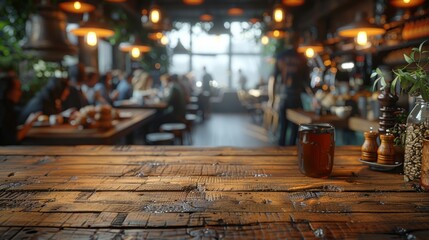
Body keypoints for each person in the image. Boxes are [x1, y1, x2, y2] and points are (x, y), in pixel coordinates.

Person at [275, 34, 311, 146]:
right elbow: (307, 80)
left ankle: (280, 151)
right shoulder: (302, 58)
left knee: (283, 127)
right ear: (298, 42)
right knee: (295, 127)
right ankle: (291, 150)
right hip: (296, 97)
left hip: (283, 96)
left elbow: (275, 77)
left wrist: (273, 98)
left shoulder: (280, 56)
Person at [0, 73, 41, 145]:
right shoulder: (3, 110)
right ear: (7, 90)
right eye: (18, 89)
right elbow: (12, 139)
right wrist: (30, 122)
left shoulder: (8, 106)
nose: (20, 92)